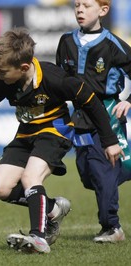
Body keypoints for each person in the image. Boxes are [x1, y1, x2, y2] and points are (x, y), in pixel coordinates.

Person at [0, 27, 123, 253]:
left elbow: (91, 102)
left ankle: (39, 237)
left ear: (24, 67)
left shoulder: (56, 79)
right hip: (26, 133)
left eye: (2, 71)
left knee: (30, 177)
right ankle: (54, 209)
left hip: (55, 131)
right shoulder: (1, 78)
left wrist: (109, 140)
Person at [56, 0, 131, 243]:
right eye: (77, 5)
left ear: (103, 10)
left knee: (102, 170)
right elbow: (59, 80)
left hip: (106, 112)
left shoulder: (113, 44)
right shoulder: (66, 41)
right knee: (88, 174)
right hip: (79, 116)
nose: (79, 10)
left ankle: (112, 227)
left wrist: (129, 100)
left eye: (86, 5)